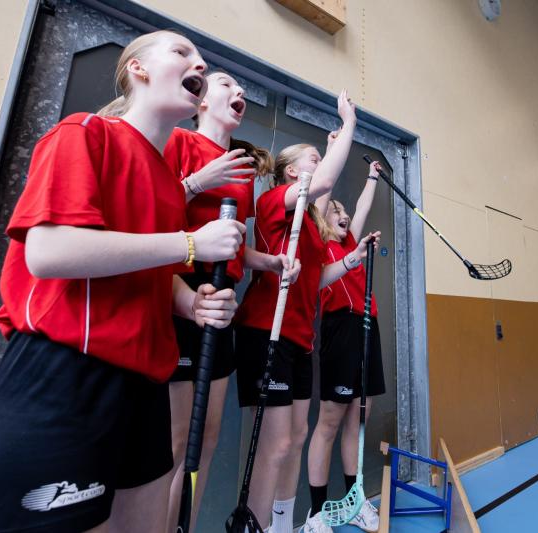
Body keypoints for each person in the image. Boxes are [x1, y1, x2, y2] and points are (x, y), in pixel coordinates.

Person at [0, 31, 244, 533]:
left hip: (144, 383)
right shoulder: (84, 133)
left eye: (203, 60)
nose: (200, 65)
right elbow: (49, 253)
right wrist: (190, 244)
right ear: (138, 68)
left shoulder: (167, 183)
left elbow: (147, 269)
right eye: (182, 53)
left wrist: (191, 303)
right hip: (68, 375)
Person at [234, 89, 380, 533]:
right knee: (275, 445)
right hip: (267, 330)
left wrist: (351, 261)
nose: (321, 162)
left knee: (295, 438)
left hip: (300, 337)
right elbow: (319, 185)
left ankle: (286, 525)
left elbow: (315, 279)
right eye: (314, 157)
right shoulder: (274, 202)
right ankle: (258, 525)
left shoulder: (313, 231)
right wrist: (347, 127)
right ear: (292, 172)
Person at [162, 70, 300, 533]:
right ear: (201, 101)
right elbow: (149, 213)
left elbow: (236, 246)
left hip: (223, 300)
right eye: (226, 84)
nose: (239, 91)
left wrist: (272, 262)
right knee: (176, 441)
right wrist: (197, 182)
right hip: (182, 289)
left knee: (206, 438)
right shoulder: (179, 142)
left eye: (242, 89)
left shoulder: (241, 170)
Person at [303, 160, 387, 533]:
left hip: (368, 327)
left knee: (357, 417)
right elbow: (321, 200)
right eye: (335, 211)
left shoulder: (351, 241)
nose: (344, 215)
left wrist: (372, 176)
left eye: (344, 211)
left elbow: (363, 207)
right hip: (339, 329)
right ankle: (316, 513)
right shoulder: (319, 246)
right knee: (329, 422)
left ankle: (355, 501)